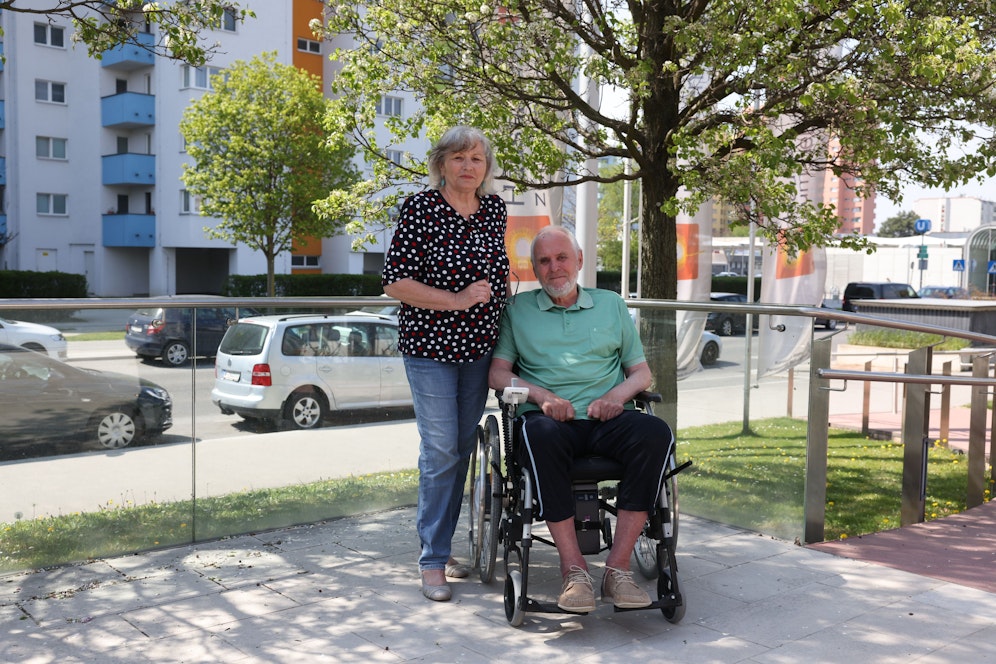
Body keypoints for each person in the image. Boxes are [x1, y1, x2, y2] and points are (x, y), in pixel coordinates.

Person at [489, 225, 673, 613]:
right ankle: (574, 572)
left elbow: (641, 373)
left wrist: (615, 396)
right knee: (538, 435)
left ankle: (617, 570)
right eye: (544, 261)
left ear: (580, 261)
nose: (554, 267)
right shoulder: (517, 310)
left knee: (656, 433)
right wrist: (541, 396)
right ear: (535, 269)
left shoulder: (611, 305)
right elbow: (498, 373)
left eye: (562, 258)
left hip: (607, 420)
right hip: (549, 422)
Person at [382, 126, 510, 602]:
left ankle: (442, 543)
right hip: (430, 347)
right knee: (440, 451)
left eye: (477, 159)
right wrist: (455, 300)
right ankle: (432, 559)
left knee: (459, 447)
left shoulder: (494, 210)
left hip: (479, 348)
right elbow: (395, 282)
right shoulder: (421, 208)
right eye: (459, 158)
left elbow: (498, 275)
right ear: (441, 164)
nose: (469, 166)